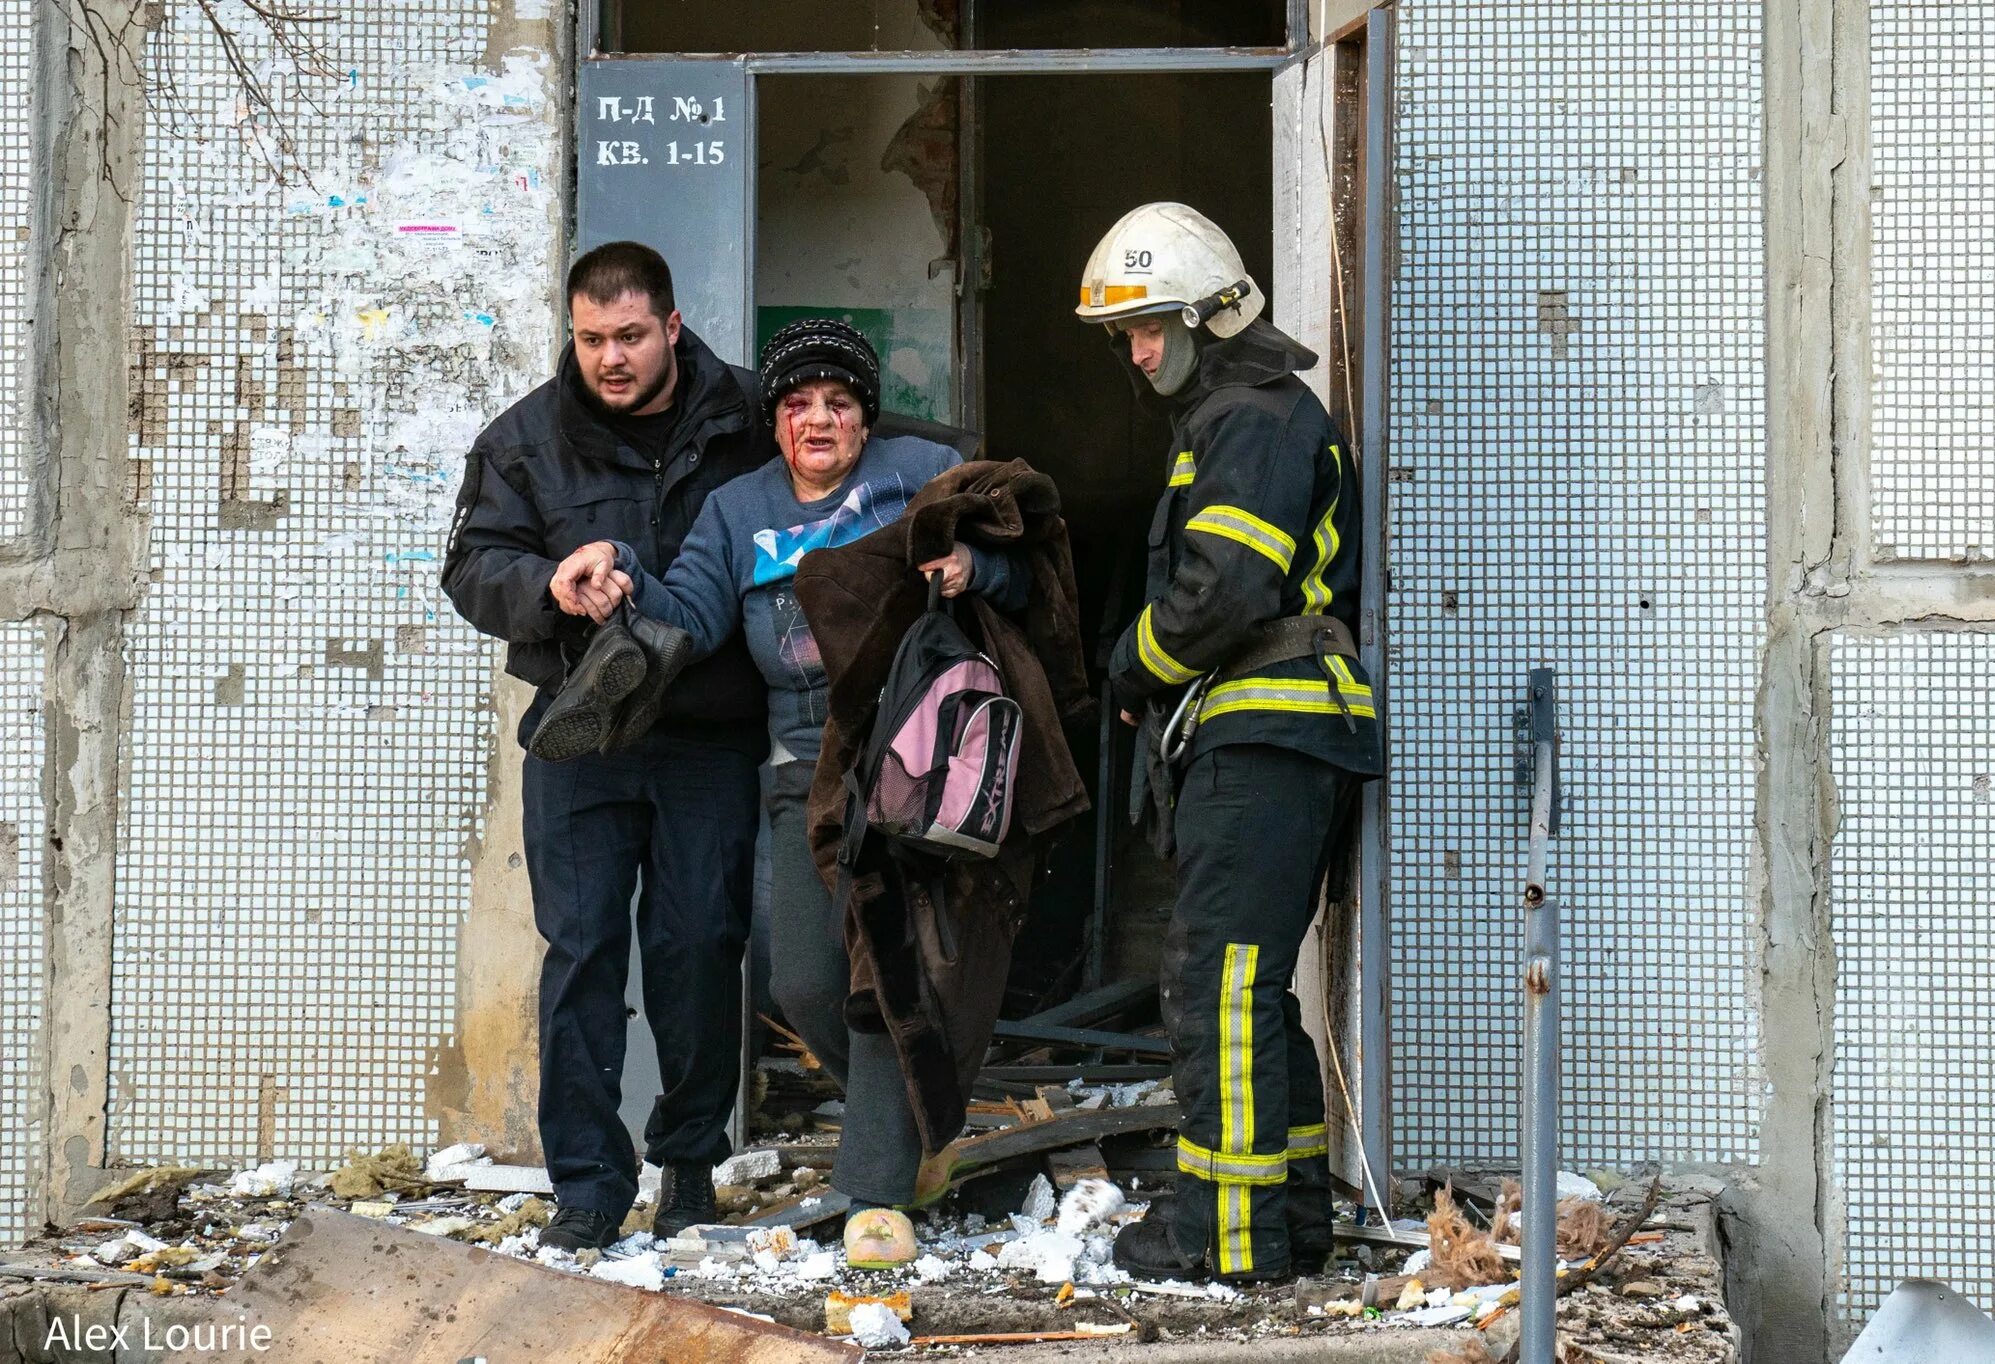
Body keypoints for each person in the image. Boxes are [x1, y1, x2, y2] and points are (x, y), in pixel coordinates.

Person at [547, 317, 1026, 1268]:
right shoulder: (737, 511)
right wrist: (621, 575)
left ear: (866, 417)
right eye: (799, 404)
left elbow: (1031, 559)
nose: (819, 419)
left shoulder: (920, 472)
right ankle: (920, 1124)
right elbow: (687, 612)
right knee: (803, 980)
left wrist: (980, 566)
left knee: (887, 974)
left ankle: (875, 1190)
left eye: (839, 403)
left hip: (917, 765)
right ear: (773, 421)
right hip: (803, 775)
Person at [1074, 203, 1387, 1283]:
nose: (1138, 350)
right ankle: (1290, 1219)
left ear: (1213, 314)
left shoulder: (1248, 419)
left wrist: (1126, 667)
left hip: (1266, 733)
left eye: (1153, 326)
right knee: (1248, 983)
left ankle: (1229, 1236)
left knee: (1218, 982)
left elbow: (1222, 593)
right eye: (1126, 334)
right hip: (1266, 735)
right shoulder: (1238, 413)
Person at [441, 241, 774, 1251]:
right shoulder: (524, 441)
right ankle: (587, 1181)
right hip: (582, 737)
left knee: (698, 947)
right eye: (591, 339)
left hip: (707, 731)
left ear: (672, 327)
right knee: (582, 951)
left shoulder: (752, 417)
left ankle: (686, 1165)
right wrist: (550, 582)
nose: (610, 358)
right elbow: (469, 567)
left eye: (630, 336)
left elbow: (834, 474)